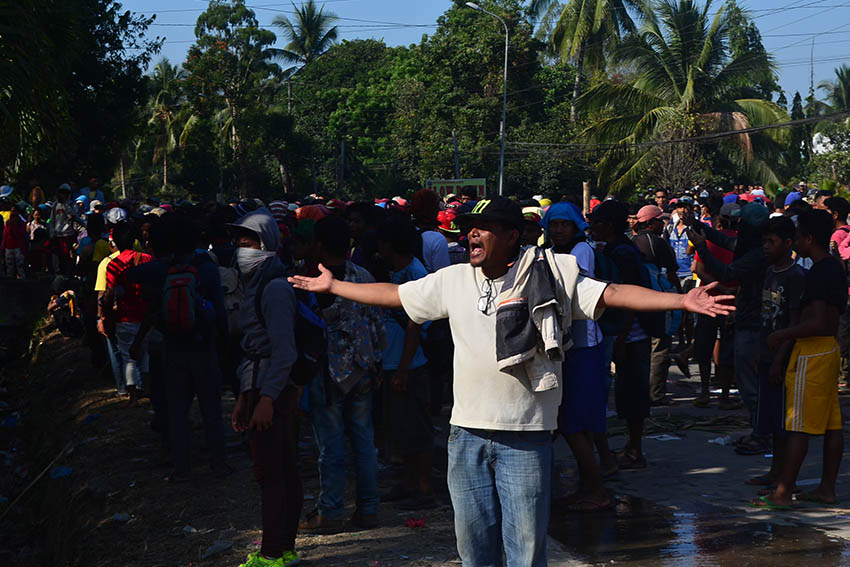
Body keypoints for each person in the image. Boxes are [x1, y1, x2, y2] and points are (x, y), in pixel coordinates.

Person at [289, 196, 734, 565]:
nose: (472, 235)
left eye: (483, 228)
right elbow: (394, 295)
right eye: (470, 228)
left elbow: (611, 294)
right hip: (466, 436)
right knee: (475, 548)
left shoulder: (553, 273)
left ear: (511, 237)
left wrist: (682, 298)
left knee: (525, 551)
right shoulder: (454, 279)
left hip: (525, 437)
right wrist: (333, 287)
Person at [752, 209, 847, 509]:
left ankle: (782, 493)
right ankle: (826, 489)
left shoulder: (819, 271)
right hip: (829, 350)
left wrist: (782, 335)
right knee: (832, 426)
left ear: (807, 238)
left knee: (798, 427)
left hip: (813, 351)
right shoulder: (833, 267)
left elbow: (819, 321)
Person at [299, 216, 384, 533]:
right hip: (363, 368)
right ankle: (369, 510)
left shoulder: (310, 279)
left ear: (317, 245)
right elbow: (375, 321)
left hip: (328, 374)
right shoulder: (362, 275)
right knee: (364, 443)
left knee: (331, 448)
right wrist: (376, 362)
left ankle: (330, 513)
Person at [230, 209, 303, 567]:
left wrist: (267, 399)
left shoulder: (275, 288)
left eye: (251, 242)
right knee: (283, 470)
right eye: (240, 242)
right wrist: (246, 395)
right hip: (261, 388)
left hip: (274, 391)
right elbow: (253, 347)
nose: (243, 249)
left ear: (269, 245)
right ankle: (283, 549)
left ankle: (272, 554)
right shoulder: (257, 284)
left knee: (271, 474)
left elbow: (283, 352)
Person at [543, 202, 612, 512]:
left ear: (574, 226)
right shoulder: (551, 250)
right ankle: (589, 485)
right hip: (570, 345)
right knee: (576, 423)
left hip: (583, 345)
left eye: (563, 224)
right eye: (553, 224)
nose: (558, 229)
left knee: (573, 422)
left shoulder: (580, 251)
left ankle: (596, 488)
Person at [687, 203, 769, 455]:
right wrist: (702, 228)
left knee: (750, 384)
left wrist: (701, 245)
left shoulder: (757, 252)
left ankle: (762, 434)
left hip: (753, 323)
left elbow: (726, 271)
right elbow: (725, 241)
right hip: (747, 319)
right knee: (747, 381)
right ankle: (760, 430)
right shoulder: (753, 244)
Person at [373, 213, 437, 510]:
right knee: (400, 428)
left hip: (410, 365)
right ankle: (409, 482)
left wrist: (402, 368)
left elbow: (415, 325)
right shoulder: (394, 271)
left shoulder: (415, 272)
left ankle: (424, 488)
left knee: (417, 428)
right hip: (392, 361)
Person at [744, 216, 804, 491]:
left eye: (772, 242)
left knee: (783, 419)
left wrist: (779, 357)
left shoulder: (795, 277)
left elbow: (793, 322)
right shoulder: (769, 272)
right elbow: (765, 316)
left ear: (788, 243)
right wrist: (761, 350)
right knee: (769, 415)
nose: (766, 247)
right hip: (767, 352)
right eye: (764, 241)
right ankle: (774, 470)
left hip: (785, 357)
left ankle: (784, 475)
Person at [631, 204, 682, 406]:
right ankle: (656, 393)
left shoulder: (631, 241)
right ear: (651, 224)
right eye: (661, 220)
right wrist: (680, 298)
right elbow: (671, 274)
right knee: (660, 347)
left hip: (634, 300)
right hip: (657, 300)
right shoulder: (657, 244)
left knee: (641, 348)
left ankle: (641, 391)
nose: (664, 224)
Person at [101, 222, 153, 407]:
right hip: (147, 315)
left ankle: (133, 395)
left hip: (125, 316)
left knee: (128, 357)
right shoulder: (147, 259)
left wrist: (105, 315)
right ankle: (147, 390)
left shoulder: (113, 265)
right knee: (146, 354)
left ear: (114, 242)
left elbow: (110, 293)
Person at [825, 196, 850, 387]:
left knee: (842, 334)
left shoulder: (836, 236)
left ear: (834, 215)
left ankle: (842, 377)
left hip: (844, 292)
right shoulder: (847, 232)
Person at [2, 204, 27, 278]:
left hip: (18, 248)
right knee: (10, 267)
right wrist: (2, 247)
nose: (13, 213)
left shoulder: (21, 223)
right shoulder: (8, 223)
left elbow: (22, 236)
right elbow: (5, 235)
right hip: (8, 248)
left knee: (20, 267)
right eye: (12, 211)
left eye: (14, 211)